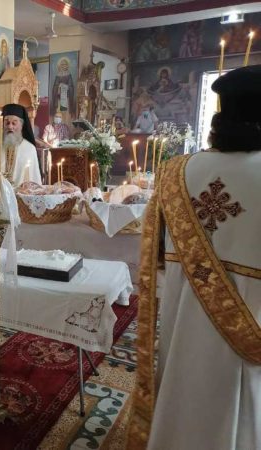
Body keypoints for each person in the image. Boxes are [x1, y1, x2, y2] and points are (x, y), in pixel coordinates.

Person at [127, 65, 261, 450]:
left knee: (179, 403)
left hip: (182, 330)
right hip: (251, 342)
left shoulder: (175, 172)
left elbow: (155, 259)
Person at [0, 103, 41, 187]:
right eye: (7, 123)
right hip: (0, 193)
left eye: (14, 123)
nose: (10, 127)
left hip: (21, 193)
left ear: (22, 125)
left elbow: (34, 179)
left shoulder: (29, 148)